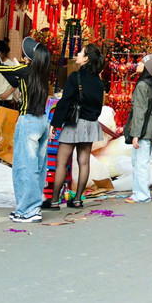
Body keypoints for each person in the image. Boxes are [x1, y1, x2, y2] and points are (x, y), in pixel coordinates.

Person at [0, 31, 52, 224]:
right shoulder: (39, 73)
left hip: (28, 122)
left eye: (25, 55)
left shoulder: (25, 71)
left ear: (30, 59)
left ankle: (28, 210)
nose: (23, 56)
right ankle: (31, 208)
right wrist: (15, 68)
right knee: (37, 168)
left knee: (24, 168)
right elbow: (14, 81)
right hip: (42, 123)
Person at [46, 43, 105, 210]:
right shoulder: (98, 82)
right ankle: (78, 199)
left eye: (81, 52)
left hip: (75, 124)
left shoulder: (75, 77)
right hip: (90, 124)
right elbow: (98, 107)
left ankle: (54, 201)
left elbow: (65, 102)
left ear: (86, 58)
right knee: (84, 162)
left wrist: (55, 124)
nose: (77, 54)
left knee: (61, 162)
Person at [123, 54, 152, 203]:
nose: (138, 65)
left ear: (148, 67)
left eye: (142, 63)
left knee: (140, 162)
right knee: (142, 161)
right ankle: (139, 192)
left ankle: (141, 194)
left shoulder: (142, 85)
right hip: (150, 126)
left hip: (143, 129)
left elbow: (140, 111)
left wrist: (136, 134)